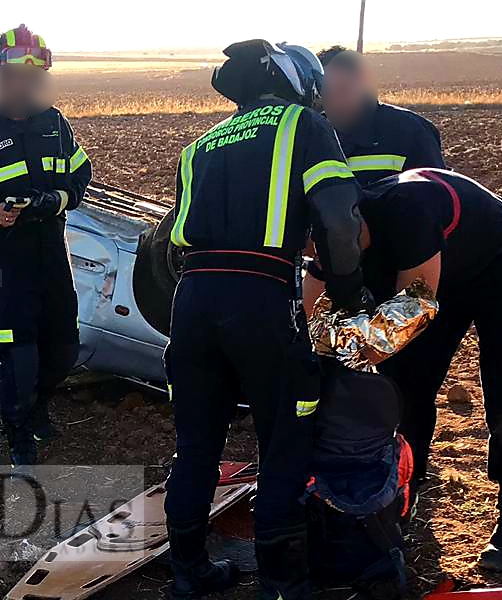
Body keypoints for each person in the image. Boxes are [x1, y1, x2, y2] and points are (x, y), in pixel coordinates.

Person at [164, 40, 368, 600]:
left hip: (195, 300)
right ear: (300, 83)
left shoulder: (200, 145)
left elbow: (171, 242)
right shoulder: (302, 124)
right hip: (259, 294)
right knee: (284, 438)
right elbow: (338, 216)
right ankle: (283, 583)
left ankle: (189, 573)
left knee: (197, 443)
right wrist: (351, 296)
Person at [302, 168, 502, 571]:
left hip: (493, 263)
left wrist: (348, 362)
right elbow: (310, 317)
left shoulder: (408, 208)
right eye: (312, 255)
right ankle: (402, 490)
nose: (318, 259)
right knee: (405, 387)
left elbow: (412, 310)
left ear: (351, 227)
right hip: (435, 275)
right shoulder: (330, 239)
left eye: (321, 251)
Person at [0, 24, 91, 468]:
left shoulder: (55, 124)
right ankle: (18, 434)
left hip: (53, 252)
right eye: (15, 76)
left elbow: (79, 179)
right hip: (9, 261)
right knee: (20, 351)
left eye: (32, 78)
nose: (23, 86)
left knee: (63, 347)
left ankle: (38, 406)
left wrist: (56, 200)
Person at [317, 46, 445, 186]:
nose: (337, 102)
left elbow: (436, 199)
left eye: (344, 89)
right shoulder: (314, 136)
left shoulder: (412, 133)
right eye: (327, 93)